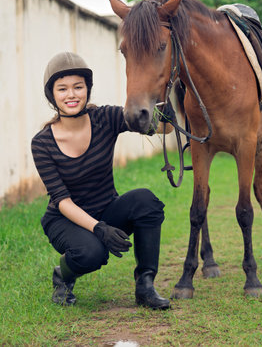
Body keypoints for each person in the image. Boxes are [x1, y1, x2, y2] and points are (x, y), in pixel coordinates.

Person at [31, 51, 170, 309]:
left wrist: (164, 109)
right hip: (64, 219)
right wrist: (99, 229)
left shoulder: (105, 118)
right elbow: (62, 201)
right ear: (52, 95)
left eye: (78, 87)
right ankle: (62, 275)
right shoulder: (42, 143)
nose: (71, 95)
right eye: (62, 89)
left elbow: (161, 127)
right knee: (92, 253)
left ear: (87, 90)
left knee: (145, 201)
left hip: (106, 207)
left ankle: (145, 285)